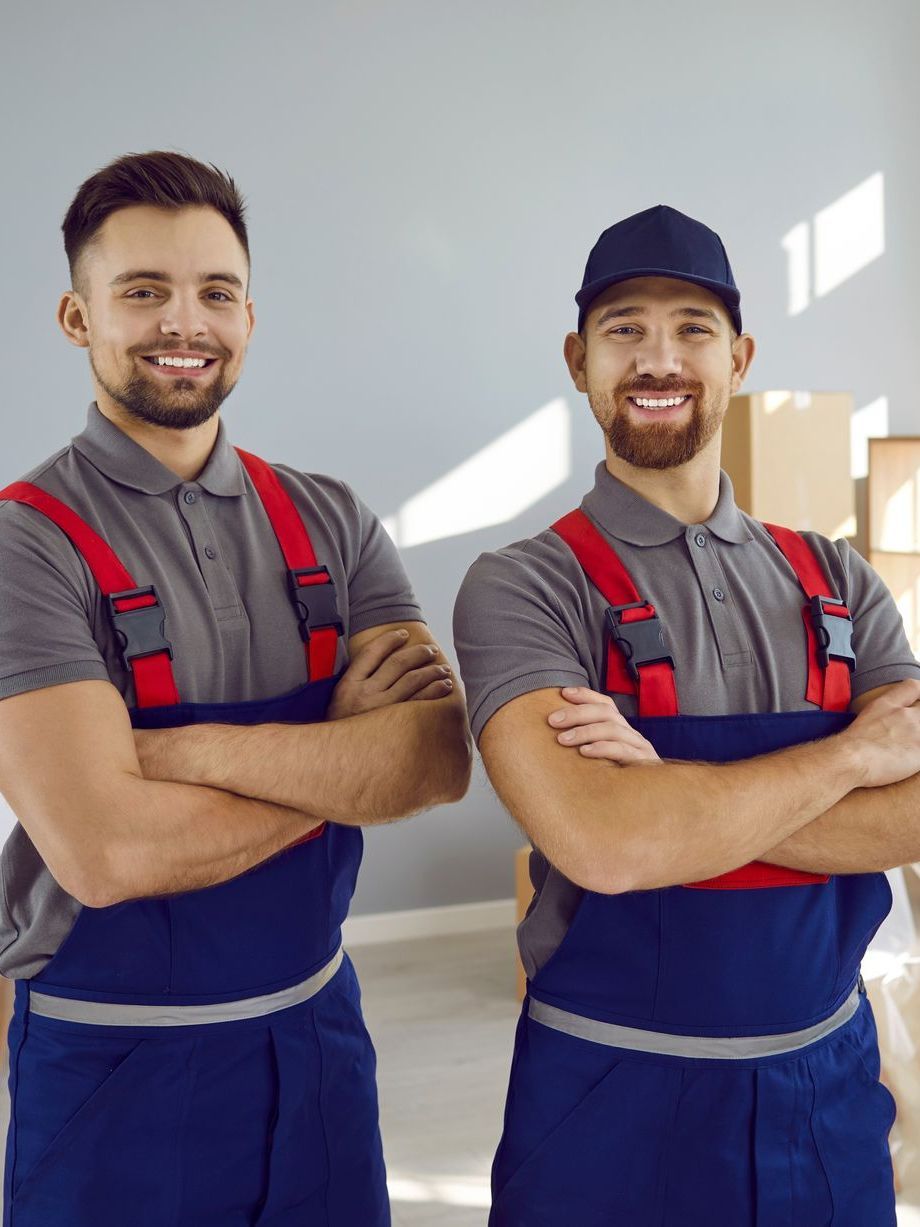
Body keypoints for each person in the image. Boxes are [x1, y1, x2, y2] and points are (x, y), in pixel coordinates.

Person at [0, 150, 472, 1226]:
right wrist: (339, 759)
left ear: (249, 319)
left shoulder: (331, 518)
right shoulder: (26, 543)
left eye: (216, 292)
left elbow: (435, 761)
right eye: (142, 291)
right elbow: (107, 853)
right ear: (77, 317)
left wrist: (176, 755)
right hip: (113, 1071)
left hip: (319, 1042)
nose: (185, 322)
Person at [453, 204, 920, 1226]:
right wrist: (852, 757)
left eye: (691, 329)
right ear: (577, 360)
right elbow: (606, 844)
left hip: (825, 1100)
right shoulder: (525, 585)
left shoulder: (837, 578)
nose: (657, 358)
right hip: (608, 1106)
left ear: (738, 358)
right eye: (623, 328)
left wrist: (667, 797)